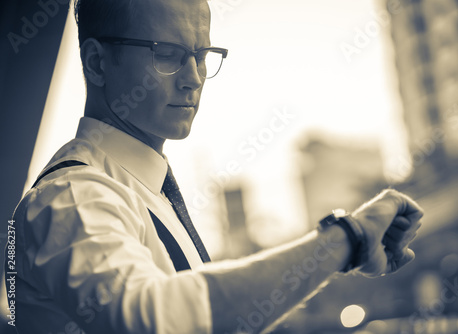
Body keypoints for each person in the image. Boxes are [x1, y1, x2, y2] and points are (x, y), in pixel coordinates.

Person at [5, 0, 424, 333]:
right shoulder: (73, 196)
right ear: (97, 63)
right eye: (167, 54)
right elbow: (156, 319)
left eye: (201, 54)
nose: (193, 78)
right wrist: (346, 240)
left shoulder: (143, 193)